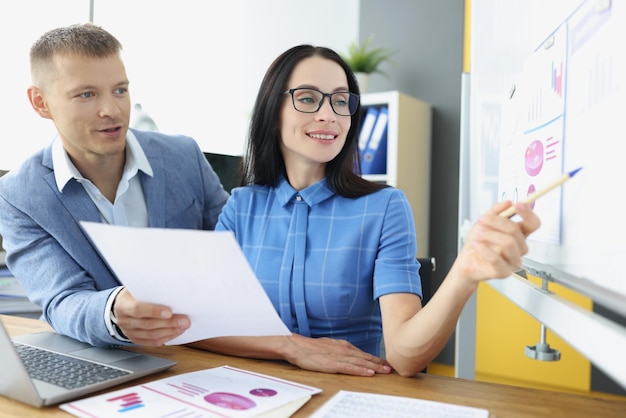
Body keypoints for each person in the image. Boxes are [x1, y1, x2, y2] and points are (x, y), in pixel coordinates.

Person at [188, 45, 541, 377]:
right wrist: (291, 347)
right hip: (255, 391)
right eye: (308, 98)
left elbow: (404, 355)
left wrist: (464, 273)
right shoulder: (241, 206)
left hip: (350, 394)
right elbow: (198, 323)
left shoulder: (385, 207)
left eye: (341, 101)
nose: (329, 115)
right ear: (272, 111)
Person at [0, 23, 229, 347]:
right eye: (87, 94)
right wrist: (112, 311)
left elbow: (236, 249)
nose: (112, 110)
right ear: (41, 102)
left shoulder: (183, 156)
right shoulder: (19, 195)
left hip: (206, 345)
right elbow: (61, 300)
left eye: (120, 90)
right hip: (104, 358)